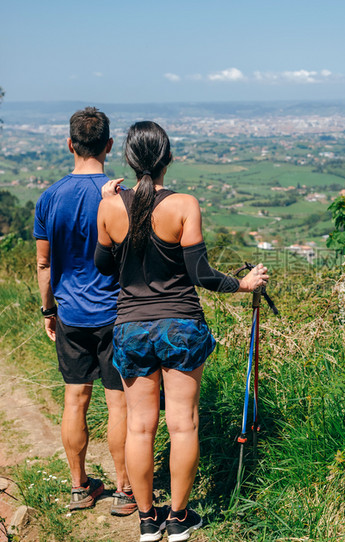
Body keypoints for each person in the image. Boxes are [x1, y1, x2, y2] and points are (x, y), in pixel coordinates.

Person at [95, 121, 268, 542]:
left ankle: (146, 520)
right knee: (183, 424)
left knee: (140, 426)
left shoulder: (109, 207)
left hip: (131, 327)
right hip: (181, 325)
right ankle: (178, 517)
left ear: (130, 160)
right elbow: (200, 274)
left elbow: (103, 268)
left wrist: (109, 203)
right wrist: (242, 284)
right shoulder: (184, 205)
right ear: (168, 158)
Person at [34, 107, 135, 516]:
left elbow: (44, 264)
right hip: (115, 314)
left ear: (70, 144)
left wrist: (48, 310)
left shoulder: (49, 197)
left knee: (74, 398)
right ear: (109, 146)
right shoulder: (119, 197)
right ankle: (125, 491)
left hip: (70, 314)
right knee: (119, 404)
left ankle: (79, 488)